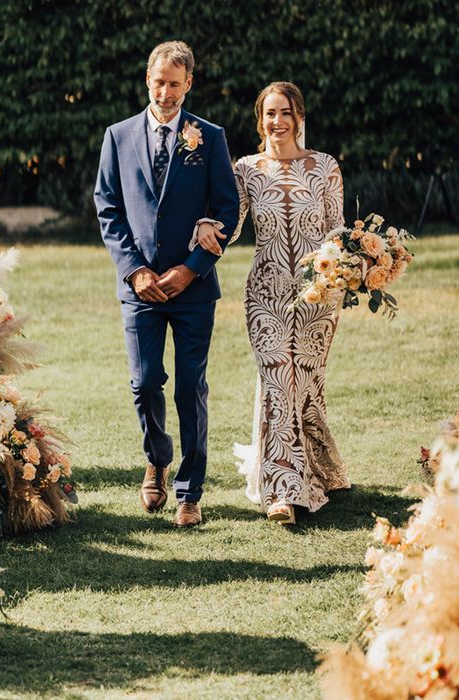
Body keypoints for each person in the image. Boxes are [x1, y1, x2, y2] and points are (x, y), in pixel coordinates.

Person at [94, 40, 239, 527]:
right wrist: (135, 270)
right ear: (147, 80)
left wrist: (190, 267)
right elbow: (108, 208)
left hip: (193, 290)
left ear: (188, 84)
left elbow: (227, 208)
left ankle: (189, 492)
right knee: (144, 382)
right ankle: (157, 458)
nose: (165, 91)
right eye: (159, 81)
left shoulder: (209, 137)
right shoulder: (117, 136)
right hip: (139, 288)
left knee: (189, 387)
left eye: (175, 83)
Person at [196, 81, 349, 525]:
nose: (276, 121)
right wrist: (206, 227)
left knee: (304, 386)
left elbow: (337, 231)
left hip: (318, 297)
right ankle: (284, 491)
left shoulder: (324, 167)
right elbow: (233, 221)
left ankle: (322, 467)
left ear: (299, 117)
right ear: (259, 120)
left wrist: (357, 261)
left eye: (284, 112)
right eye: (269, 114)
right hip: (265, 293)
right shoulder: (246, 169)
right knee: (279, 379)